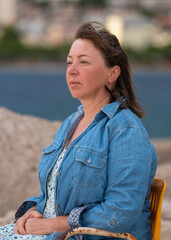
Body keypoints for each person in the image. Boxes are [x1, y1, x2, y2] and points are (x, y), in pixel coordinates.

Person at [0, 21, 158, 240]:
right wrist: (31, 212)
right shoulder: (71, 123)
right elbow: (55, 192)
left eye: (83, 62)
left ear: (112, 74)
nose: (72, 71)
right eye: (69, 62)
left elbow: (120, 213)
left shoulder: (126, 131)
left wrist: (50, 225)